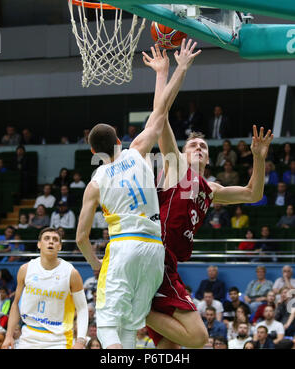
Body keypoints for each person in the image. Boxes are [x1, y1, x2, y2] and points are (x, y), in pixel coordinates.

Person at [143, 40, 273, 349]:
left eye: (204, 146)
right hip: (156, 257)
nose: (199, 147)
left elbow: (253, 194)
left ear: (210, 159)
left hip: (171, 263)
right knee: (200, 338)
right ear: (182, 154)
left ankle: (136, 306)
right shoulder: (174, 168)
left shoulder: (210, 189)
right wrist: (168, 72)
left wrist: (258, 156)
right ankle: (134, 307)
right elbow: (159, 115)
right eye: (193, 145)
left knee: (170, 348)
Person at [76, 41, 201, 349]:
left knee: (107, 324)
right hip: (154, 251)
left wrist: (94, 262)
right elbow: (161, 110)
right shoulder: (136, 152)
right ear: (119, 140)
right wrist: (172, 69)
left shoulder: (96, 181)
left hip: (124, 247)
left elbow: (81, 236)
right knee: (132, 324)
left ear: (93, 151)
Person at [1, 227, 89, 349]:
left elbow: (82, 308)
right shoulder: (25, 269)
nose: (51, 242)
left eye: (55, 239)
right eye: (46, 238)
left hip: (59, 340)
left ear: (60, 246)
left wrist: (80, 340)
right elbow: (15, 304)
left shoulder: (71, 273)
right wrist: (9, 335)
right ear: (39, 244)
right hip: (29, 336)